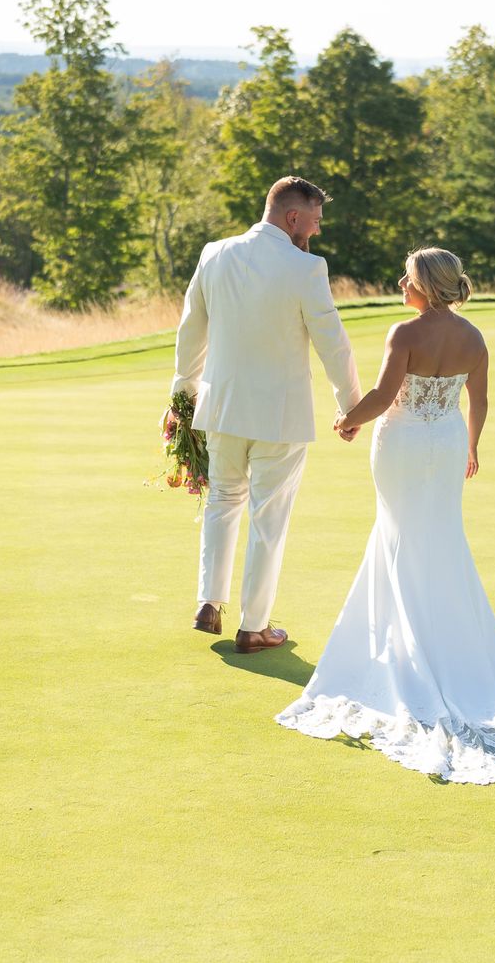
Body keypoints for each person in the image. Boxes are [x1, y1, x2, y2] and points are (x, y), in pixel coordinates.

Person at [276, 247, 495, 783]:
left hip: (402, 443)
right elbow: (481, 400)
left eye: (407, 276)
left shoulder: (404, 333)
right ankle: (444, 646)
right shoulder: (474, 337)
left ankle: (408, 656)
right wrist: (471, 446)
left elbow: (383, 395)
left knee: (399, 537)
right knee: (440, 539)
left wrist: (346, 420)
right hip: (447, 442)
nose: (401, 282)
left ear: (424, 284)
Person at [167, 176, 361, 653]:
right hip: (280, 416)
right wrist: (351, 405)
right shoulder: (306, 268)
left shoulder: (214, 252)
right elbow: (332, 342)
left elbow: (190, 330)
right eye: (314, 222)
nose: (315, 233)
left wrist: (181, 396)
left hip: (222, 407)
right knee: (268, 519)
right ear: (292, 217)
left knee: (222, 503)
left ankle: (208, 604)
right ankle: (254, 627)